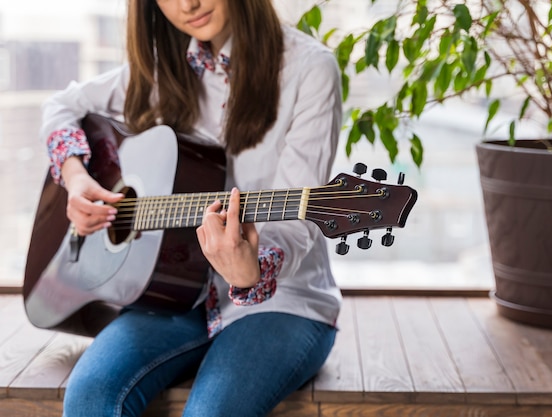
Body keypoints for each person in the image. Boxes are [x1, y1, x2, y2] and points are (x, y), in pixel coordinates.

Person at [40, 0, 343, 416]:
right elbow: (61, 107)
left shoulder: (310, 69)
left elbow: (295, 224)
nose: (188, 4)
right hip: (170, 292)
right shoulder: (162, 71)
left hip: (281, 304)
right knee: (89, 397)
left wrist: (251, 270)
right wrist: (76, 178)